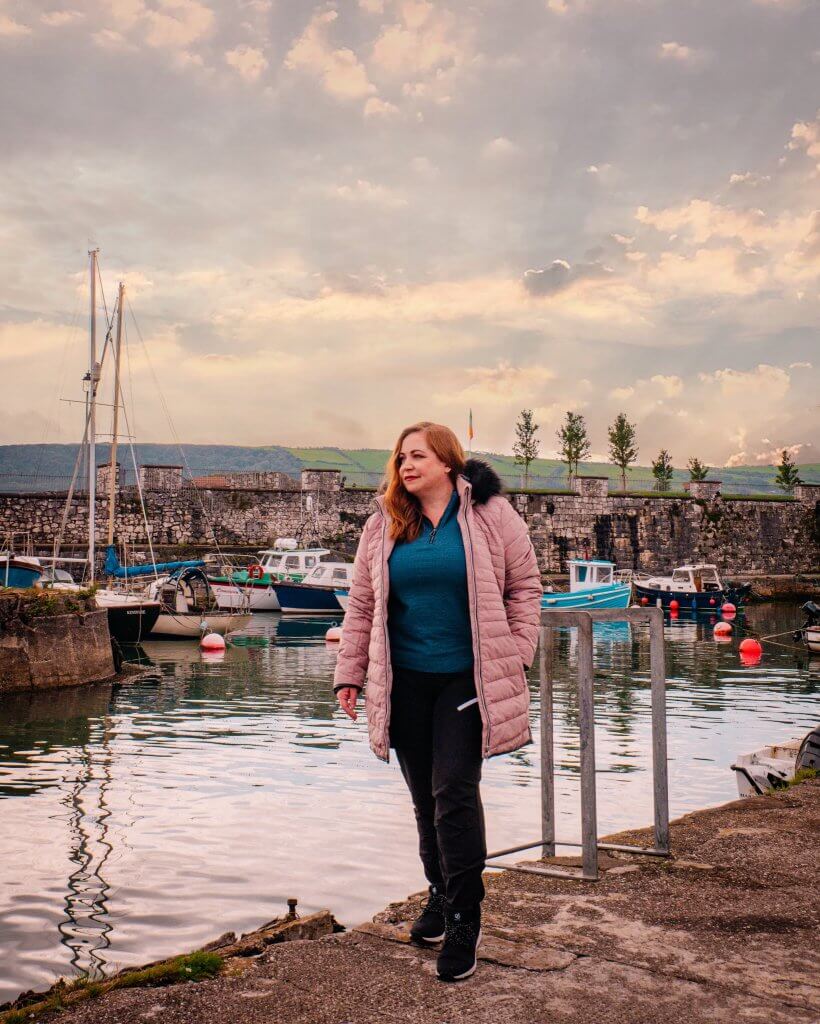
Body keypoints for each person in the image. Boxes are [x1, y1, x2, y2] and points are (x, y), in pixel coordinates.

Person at [333, 421, 542, 982]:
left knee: (454, 793)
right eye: (400, 457)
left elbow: (525, 587)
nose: (405, 465)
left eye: (417, 456)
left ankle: (465, 921)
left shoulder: (492, 515)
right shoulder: (383, 525)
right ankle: (441, 894)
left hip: (465, 681)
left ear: (448, 463)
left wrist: (516, 653)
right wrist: (349, 675)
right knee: (425, 802)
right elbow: (361, 606)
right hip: (404, 682)